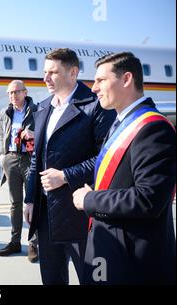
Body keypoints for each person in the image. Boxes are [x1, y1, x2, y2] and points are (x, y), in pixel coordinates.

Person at [72, 52, 176, 285]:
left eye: (101, 80)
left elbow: (148, 199)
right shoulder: (119, 123)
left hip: (132, 261)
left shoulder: (153, 129)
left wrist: (90, 199)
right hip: (111, 249)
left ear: (126, 78)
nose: (93, 88)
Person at [23, 48, 116, 285]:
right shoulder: (43, 107)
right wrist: (30, 198)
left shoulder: (95, 106)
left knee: (93, 279)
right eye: (45, 72)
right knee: (52, 279)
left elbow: (105, 157)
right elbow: (36, 158)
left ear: (73, 72)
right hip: (46, 214)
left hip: (80, 214)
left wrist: (66, 176)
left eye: (53, 72)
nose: (45, 78)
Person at [0, 80, 38, 261]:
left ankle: (33, 243)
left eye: (16, 92)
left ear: (25, 92)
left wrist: (34, 135)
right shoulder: (5, 112)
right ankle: (15, 241)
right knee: (15, 204)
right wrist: (2, 156)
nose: (13, 96)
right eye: (10, 93)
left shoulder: (37, 111)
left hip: (29, 159)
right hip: (11, 159)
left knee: (32, 203)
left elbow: (45, 132)